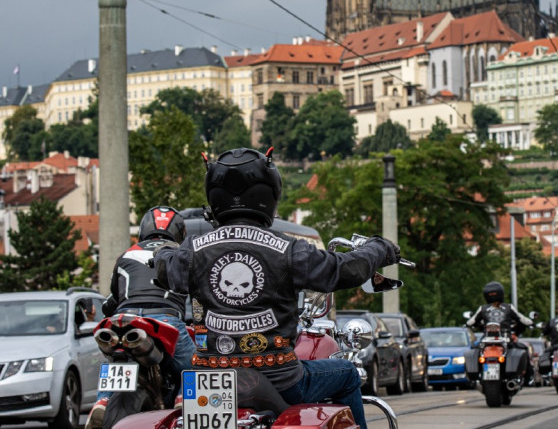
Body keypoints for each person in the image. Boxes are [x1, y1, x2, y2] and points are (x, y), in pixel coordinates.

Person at [153, 147, 400, 429]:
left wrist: (161, 249)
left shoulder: (192, 250)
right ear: (270, 193)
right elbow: (345, 269)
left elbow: (163, 268)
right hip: (280, 379)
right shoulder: (287, 248)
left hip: (207, 382)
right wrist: (379, 248)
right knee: (347, 372)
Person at [85, 206, 197, 429]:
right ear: (179, 230)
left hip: (124, 318)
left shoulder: (126, 254)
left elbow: (113, 300)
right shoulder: (181, 254)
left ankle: (103, 399)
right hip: (165, 319)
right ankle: (184, 398)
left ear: (144, 227)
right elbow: (199, 294)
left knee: (115, 357)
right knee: (196, 364)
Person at [466, 281, 534, 385]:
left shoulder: (482, 308)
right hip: (506, 340)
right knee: (523, 348)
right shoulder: (509, 307)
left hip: (486, 341)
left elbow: (471, 321)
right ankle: (529, 377)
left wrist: (467, 325)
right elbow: (522, 318)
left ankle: (475, 377)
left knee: (475, 350)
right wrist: (531, 323)